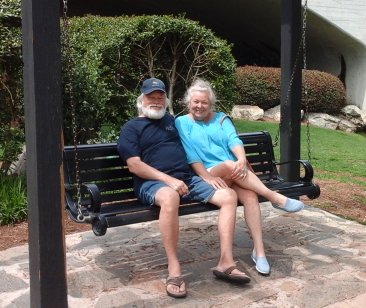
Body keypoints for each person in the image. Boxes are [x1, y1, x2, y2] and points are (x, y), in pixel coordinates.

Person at [117, 77, 251, 299]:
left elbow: (197, 140)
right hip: (153, 183)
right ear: (141, 100)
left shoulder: (172, 122)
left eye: (160, 97)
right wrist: (168, 180)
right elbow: (134, 165)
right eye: (151, 97)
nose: (156, 101)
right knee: (170, 197)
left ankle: (225, 262)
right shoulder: (131, 127)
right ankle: (174, 269)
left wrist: (208, 174)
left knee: (228, 196)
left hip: (186, 179)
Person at [175, 79, 305, 276]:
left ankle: (259, 252)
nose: (199, 106)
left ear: (211, 104)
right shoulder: (182, 123)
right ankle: (275, 198)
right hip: (206, 173)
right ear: (188, 102)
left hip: (233, 174)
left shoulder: (221, 119)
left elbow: (233, 140)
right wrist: (207, 177)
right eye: (196, 102)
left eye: (204, 102)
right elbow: (190, 154)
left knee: (250, 197)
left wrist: (242, 159)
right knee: (229, 164)